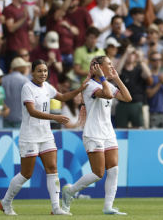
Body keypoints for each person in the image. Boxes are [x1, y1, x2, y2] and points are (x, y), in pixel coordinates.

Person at [0, 59, 87, 216]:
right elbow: (32, 111)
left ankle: (56, 207)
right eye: (39, 71)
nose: (43, 74)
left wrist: (80, 89)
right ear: (32, 72)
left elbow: (64, 97)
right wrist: (55, 117)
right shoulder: (27, 87)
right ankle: (5, 202)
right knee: (26, 174)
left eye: (45, 71)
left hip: (46, 135)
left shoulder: (48, 87)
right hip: (30, 135)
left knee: (53, 169)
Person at [62, 55, 132, 215]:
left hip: (108, 133)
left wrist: (117, 78)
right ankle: (70, 191)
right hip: (93, 133)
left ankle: (108, 207)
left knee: (114, 170)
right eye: (108, 63)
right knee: (98, 173)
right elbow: (107, 94)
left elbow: (128, 98)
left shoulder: (106, 83)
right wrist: (102, 76)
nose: (112, 65)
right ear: (98, 67)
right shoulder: (89, 85)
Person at [2, 57, 30, 128]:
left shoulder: (3, 80)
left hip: (6, 117)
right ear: (20, 67)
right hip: (20, 119)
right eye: (24, 66)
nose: (26, 68)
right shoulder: (25, 80)